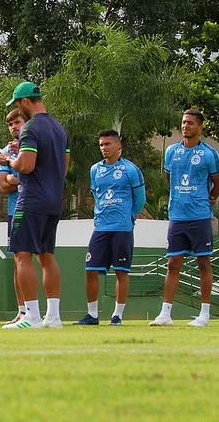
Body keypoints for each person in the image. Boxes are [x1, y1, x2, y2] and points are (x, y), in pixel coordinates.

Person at [0, 81, 70, 329]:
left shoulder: (30, 128)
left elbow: (26, 166)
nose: (18, 109)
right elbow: (65, 167)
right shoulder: (59, 128)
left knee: (21, 255)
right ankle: (53, 317)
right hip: (53, 200)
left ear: (26, 101)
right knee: (47, 257)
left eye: (18, 104)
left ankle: (31, 316)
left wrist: (10, 159)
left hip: (31, 199)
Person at [150, 109, 219, 327]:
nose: (185, 126)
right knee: (173, 263)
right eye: (183, 122)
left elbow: (218, 184)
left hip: (199, 216)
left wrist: (208, 199)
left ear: (200, 127)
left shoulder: (209, 154)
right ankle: (165, 314)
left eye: (190, 123)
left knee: (203, 262)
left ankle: (204, 314)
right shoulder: (171, 151)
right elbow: (169, 178)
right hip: (177, 216)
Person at [73, 130, 145, 326]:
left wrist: (130, 214)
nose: (104, 148)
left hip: (122, 227)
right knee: (90, 270)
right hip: (101, 226)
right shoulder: (95, 169)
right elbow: (97, 195)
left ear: (118, 145)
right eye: (101, 144)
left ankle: (117, 316)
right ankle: (92, 315)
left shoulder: (131, 170)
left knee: (121, 272)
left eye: (108, 144)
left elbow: (140, 199)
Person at [0, 110, 26, 326]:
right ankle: (23, 311)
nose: (14, 127)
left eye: (17, 122)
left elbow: (37, 174)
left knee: (43, 258)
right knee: (19, 261)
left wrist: (14, 174)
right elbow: (3, 186)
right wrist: (16, 178)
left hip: (36, 209)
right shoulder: (6, 151)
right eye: (10, 124)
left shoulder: (35, 145)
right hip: (14, 211)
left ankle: (48, 312)